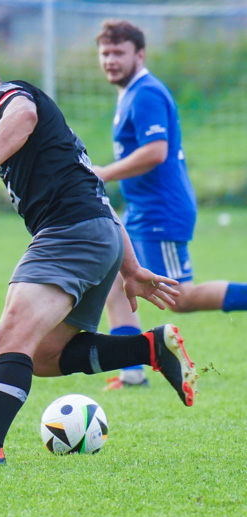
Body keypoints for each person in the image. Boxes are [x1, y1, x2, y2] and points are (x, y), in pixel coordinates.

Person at [0, 53, 198, 467]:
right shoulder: (37, 130)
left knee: (11, 336)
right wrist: (129, 267)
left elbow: (21, 113)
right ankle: (148, 349)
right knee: (42, 355)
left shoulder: (10, 97)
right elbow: (93, 186)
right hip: (98, 234)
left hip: (69, 234)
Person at [94, 20, 247, 391]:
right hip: (141, 208)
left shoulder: (146, 93)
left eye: (119, 53)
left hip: (160, 209)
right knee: (115, 276)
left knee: (180, 297)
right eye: (105, 53)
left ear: (139, 55)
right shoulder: (129, 92)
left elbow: (156, 152)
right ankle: (132, 370)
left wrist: (104, 173)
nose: (110, 61)